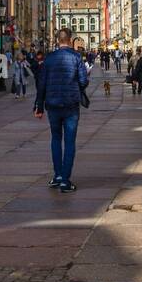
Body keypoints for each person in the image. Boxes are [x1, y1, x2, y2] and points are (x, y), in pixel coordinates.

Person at [33, 28, 88, 193]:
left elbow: (41, 84)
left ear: (58, 41)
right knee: (70, 142)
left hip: (53, 104)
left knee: (56, 139)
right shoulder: (77, 57)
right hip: (71, 105)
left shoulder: (49, 59)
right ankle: (65, 180)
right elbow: (84, 81)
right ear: (70, 40)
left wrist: (39, 107)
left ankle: (57, 176)